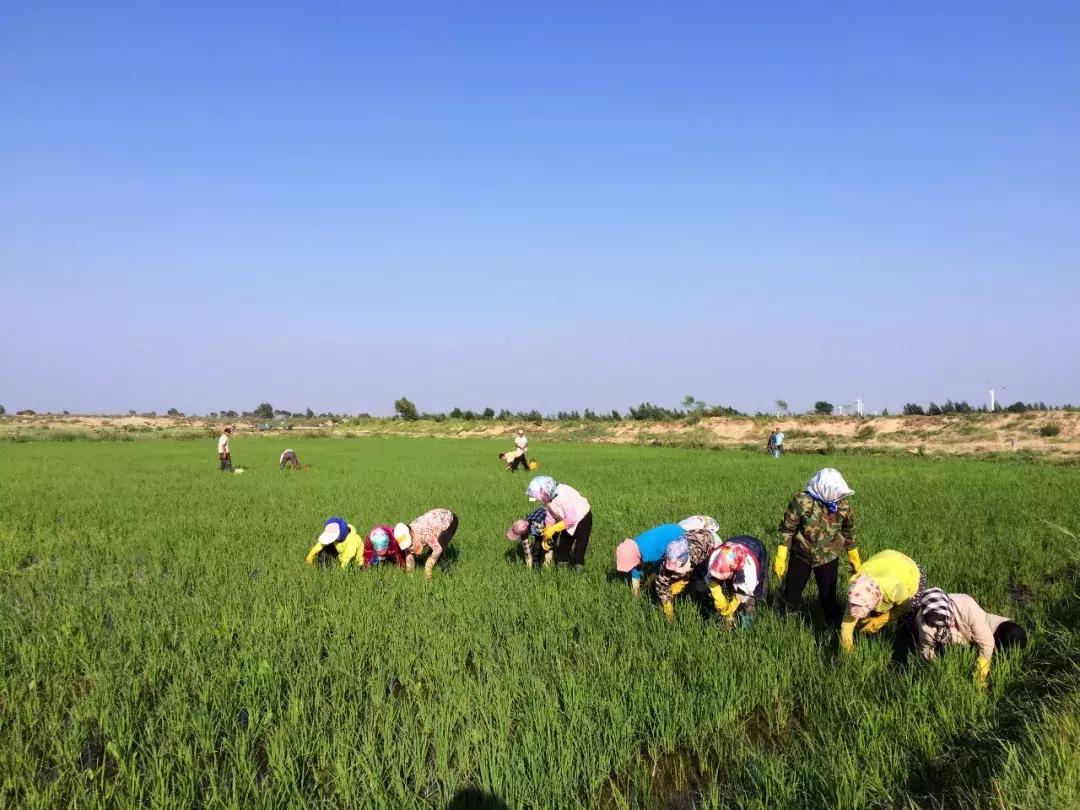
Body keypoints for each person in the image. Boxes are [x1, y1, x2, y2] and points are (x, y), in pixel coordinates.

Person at [774, 468, 861, 625]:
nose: (838, 496)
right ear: (823, 488)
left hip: (828, 556)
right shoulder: (803, 501)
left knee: (828, 598)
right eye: (834, 492)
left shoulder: (843, 506)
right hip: (801, 554)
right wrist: (781, 555)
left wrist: (854, 556)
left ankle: (836, 625)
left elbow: (849, 531)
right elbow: (787, 528)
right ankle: (786, 622)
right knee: (791, 594)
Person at [910, 589, 1028, 687]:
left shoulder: (965, 604)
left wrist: (980, 675)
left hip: (982, 624)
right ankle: (973, 651)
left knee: (1015, 634)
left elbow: (986, 641)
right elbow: (927, 650)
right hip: (954, 639)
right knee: (955, 650)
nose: (941, 622)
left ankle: (1001, 660)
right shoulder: (925, 623)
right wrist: (940, 671)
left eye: (944, 619)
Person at [840, 549, 926, 652]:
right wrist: (848, 652)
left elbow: (905, 608)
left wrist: (881, 619)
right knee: (869, 618)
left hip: (908, 570)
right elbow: (847, 625)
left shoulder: (895, 589)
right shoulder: (858, 588)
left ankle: (906, 645)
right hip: (883, 563)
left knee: (908, 620)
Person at [525, 476, 593, 570]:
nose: (540, 500)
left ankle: (578, 570)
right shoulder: (548, 498)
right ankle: (563, 571)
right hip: (565, 521)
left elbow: (572, 519)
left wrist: (553, 529)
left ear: (545, 490)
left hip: (583, 519)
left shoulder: (563, 495)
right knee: (562, 550)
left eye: (540, 497)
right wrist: (547, 532)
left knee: (580, 548)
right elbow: (551, 515)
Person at [655, 526, 720, 621]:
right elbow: (661, 587)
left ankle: (708, 606)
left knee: (703, 581)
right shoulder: (666, 564)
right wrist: (668, 610)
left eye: (678, 568)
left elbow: (702, 572)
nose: (674, 570)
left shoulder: (697, 554)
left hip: (712, 542)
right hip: (691, 538)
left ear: (685, 561)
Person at [705, 536, 769, 629]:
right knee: (730, 589)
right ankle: (729, 621)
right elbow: (710, 578)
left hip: (755, 548)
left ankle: (747, 628)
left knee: (752, 596)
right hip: (732, 548)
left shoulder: (749, 570)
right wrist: (718, 596)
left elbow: (746, 591)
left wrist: (732, 606)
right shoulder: (714, 558)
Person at [615, 523, 686, 595]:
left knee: (671, 566)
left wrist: (648, 583)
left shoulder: (652, 554)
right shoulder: (635, 546)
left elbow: (660, 568)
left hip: (677, 535)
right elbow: (636, 568)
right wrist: (636, 592)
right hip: (668, 530)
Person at [393, 508, 459, 580]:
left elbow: (438, 549)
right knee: (430, 549)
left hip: (449, 520)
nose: (410, 548)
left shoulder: (424, 533)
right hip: (433, 522)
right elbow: (409, 556)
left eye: (410, 544)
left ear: (411, 534)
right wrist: (410, 575)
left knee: (438, 550)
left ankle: (447, 572)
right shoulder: (407, 538)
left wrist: (428, 566)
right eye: (408, 546)